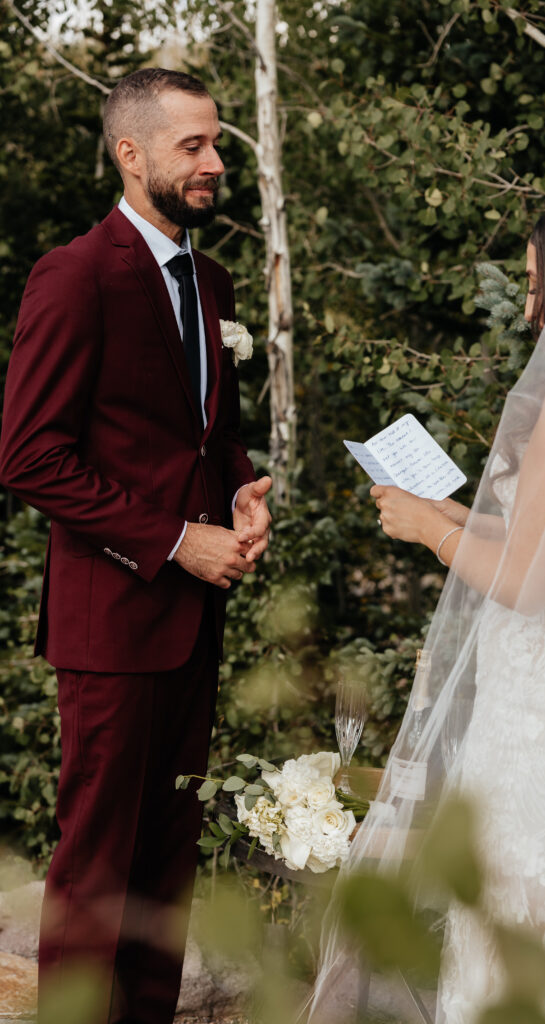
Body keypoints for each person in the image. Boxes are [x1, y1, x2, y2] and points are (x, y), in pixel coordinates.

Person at [311, 186, 545, 1022]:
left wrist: (426, 533)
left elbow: (529, 580)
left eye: (533, 282)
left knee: (525, 912)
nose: (526, 305)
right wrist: (453, 511)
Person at [0, 68, 272, 1024]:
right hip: (112, 619)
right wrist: (171, 541)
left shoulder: (211, 279)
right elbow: (29, 457)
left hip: (194, 619)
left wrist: (240, 491)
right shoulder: (76, 274)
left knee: (166, 859)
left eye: (215, 143)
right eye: (191, 145)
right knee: (98, 868)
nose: (213, 160)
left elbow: (209, 434)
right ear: (132, 153)